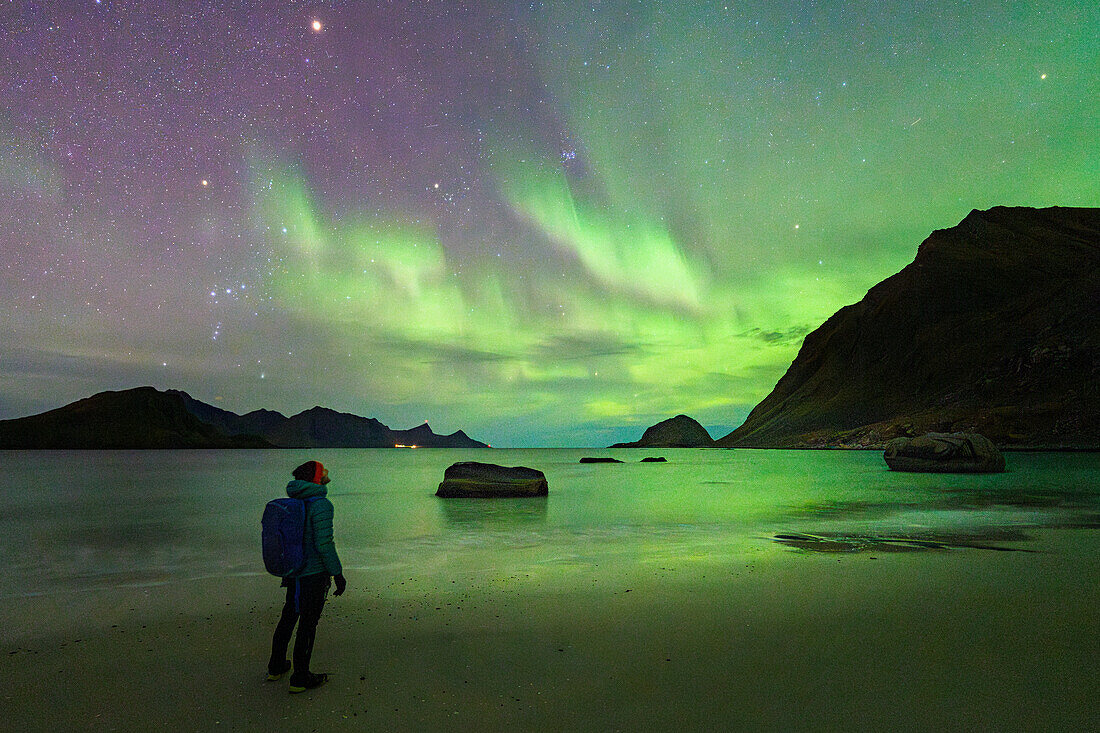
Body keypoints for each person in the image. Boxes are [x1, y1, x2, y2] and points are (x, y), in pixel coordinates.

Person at [266, 460, 347, 693]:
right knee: (308, 623)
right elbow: (324, 544)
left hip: (293, 571)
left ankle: (276, 666)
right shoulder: (321, 505)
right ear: (315, 478)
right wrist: (337, 573)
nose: (327, 475)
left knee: (289, 617)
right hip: (313, 574)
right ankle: (301, 677)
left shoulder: (294, 500)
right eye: (323, 472)